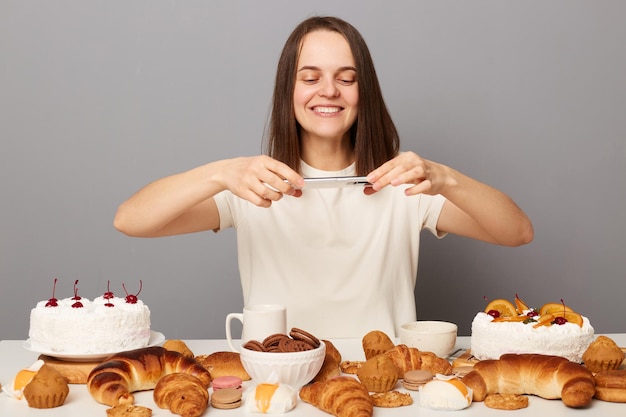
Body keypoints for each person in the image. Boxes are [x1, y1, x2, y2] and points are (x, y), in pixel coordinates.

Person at [114, 16, 533, 339]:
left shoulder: (403, 183)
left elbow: (517, 232)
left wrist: (445, 178)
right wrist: (222, 172)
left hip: (380, 385)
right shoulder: (253, 184)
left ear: (362, 91)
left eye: (346, 79)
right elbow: (131, 220)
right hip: (280, 384)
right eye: (310, 78)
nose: (328, 90)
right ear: (288, 92)